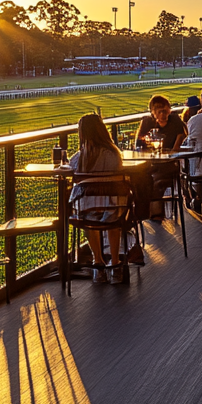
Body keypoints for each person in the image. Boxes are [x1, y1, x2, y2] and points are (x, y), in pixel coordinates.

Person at [68, 113, 131, 283]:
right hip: (115, 207)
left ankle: (98, 262)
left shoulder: (79, 157)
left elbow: (69, 169)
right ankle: (115, 263)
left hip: (86, 210)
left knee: (89, 216)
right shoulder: (114, 154)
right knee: (112, 217)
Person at [135, 95, 187, 218]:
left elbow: (180, 139)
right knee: (139, 179)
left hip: (169, 163)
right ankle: (141, 213)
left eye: (165, 110)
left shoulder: (175, 120)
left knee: (157, 180)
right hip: (150, 162)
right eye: (159, 111)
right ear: (153, 112)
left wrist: (171, 153)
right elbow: (138, 144)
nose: (163, 114)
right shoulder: (147, 122)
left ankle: (154, 211)